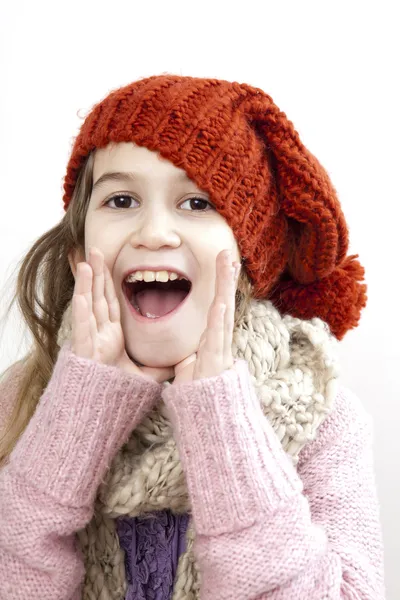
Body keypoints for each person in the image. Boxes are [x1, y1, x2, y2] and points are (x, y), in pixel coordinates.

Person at [0, 74, 385, 599]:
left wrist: (221, 417)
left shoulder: (322, 419)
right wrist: (75, 411)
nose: (154, 231)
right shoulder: (20, 400)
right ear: (79, 255)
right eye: (120, 200)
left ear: (251, 266)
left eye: (198, 203)